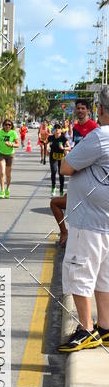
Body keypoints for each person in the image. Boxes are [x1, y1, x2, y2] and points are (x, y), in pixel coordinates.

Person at [58, 84, 109, 352]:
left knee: (81, 275)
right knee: (104, 277)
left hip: (88, 222)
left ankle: (87, 329)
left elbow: (67, 166)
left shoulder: (99, 137)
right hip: (106, 223)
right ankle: (106, 327)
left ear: (100, 110)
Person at [50, 103, 98, 247]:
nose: (80, 110)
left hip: (90, 176)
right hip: (76, 174)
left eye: (83, 108)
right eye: (78, 108)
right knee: (56, 203)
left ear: (89, 110)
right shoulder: (76, 128)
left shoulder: (94, 128)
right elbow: (75, 148)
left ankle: (82, 239)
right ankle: (65, 232)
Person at [0, 118, 19, 198]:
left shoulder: (13, 133)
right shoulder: (0, 132)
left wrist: (11, 144)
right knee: (2, 172)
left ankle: (7, 189)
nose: (7, 126)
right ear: (3, 125)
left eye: (9, 125)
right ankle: (2, 190)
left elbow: (17, 144)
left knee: (8, 174)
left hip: (10, 155)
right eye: (6, 124)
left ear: (11, 126)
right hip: (1, 154)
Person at [49, 124, 70, 197]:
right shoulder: (51, 137)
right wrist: (47, 149)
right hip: (53, 157)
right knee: (53, 171)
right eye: (55, 128)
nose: (57, 129)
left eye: (58, 128)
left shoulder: (63, 138)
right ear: (54, 130)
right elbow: (45, 143)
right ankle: (53, 188)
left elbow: (69, 147)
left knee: (61, 173)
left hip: (61, 157)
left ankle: (61, 190)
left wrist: (63, 148)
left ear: (61, 130)